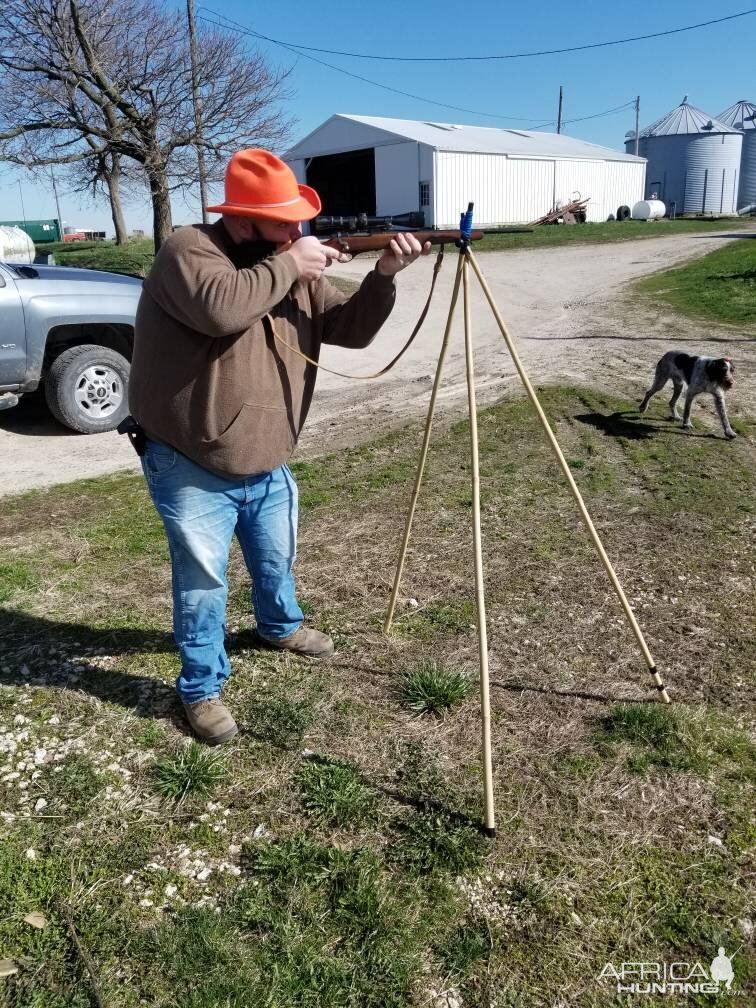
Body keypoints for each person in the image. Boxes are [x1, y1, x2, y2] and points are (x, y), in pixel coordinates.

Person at [128, 148, 429, 745]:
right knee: (203, 583)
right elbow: (221, 309)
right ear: (242, 219)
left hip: (267, 453)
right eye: (285, 220)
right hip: (190, 459)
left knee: (275, 556)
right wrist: (293, 261)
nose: (299, 230)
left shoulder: (282, 262)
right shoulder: (189, 250)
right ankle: (201, 688)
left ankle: (278, 625)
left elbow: (353, 332)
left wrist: (384, 275)